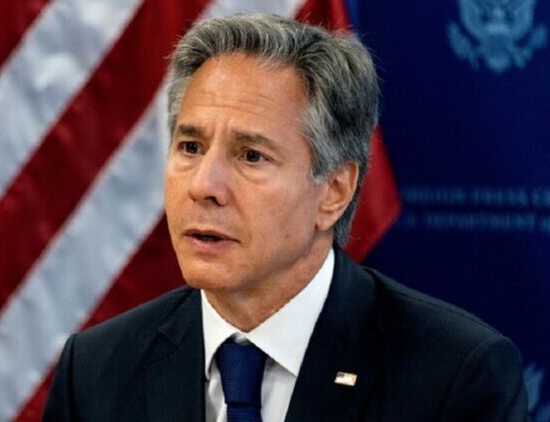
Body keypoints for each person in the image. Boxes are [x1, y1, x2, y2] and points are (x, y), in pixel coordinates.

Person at [43, 13, 528, 422]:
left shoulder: (454, 377)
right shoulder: (95, 372)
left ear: (334, 193)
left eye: (251, 155)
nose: (203, 186)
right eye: (190, 147)